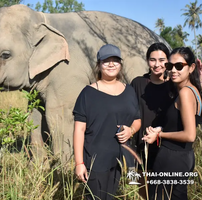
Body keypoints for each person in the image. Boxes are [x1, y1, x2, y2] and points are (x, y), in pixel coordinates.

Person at [73, 44, 141, 200]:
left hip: (121, 163)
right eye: (106, 60)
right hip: (96, 162)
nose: (111, 64)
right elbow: (79, 130)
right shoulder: (88, 93)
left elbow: (137, 120)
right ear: (99, 64)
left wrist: (131, 130)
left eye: (115, 60)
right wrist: (79, 163)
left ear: (121, 64)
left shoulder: (129, 91)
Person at [143, 47, 202, 200]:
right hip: (184, 157)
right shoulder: (194, 90)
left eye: (179, 66)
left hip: (172, 158)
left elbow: (190, 135)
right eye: (169, 66)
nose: (173, 70)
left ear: (191, 67)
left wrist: (159, 134)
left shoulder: (185, 93)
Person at [130, 43, 172, 197]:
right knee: (143, 193)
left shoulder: (173, 86)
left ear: (168, 61)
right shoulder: (138, 83)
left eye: (162, 60)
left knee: (164, 193)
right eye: (152, 60)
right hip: (141, 147)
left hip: (166, 147)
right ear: (147, 61)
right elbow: (129, 111)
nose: (157, 64)